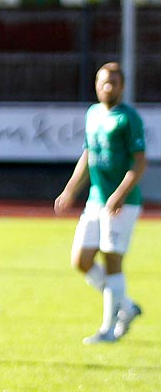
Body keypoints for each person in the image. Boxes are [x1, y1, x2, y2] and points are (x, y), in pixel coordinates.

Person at [54, 61, 146, 344]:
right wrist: (71, 189)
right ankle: (127, 307)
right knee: (81, 260)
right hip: (95, 200)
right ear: (96, 84)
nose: (108, 87)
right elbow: (88, 155)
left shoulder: (129, 118)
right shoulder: (93, 113)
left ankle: (108, 330)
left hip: (122, 203)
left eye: (114, 83)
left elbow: (140, 164)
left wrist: (119, 195)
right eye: (103, 82)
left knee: (112, 261)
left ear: (122, 87)